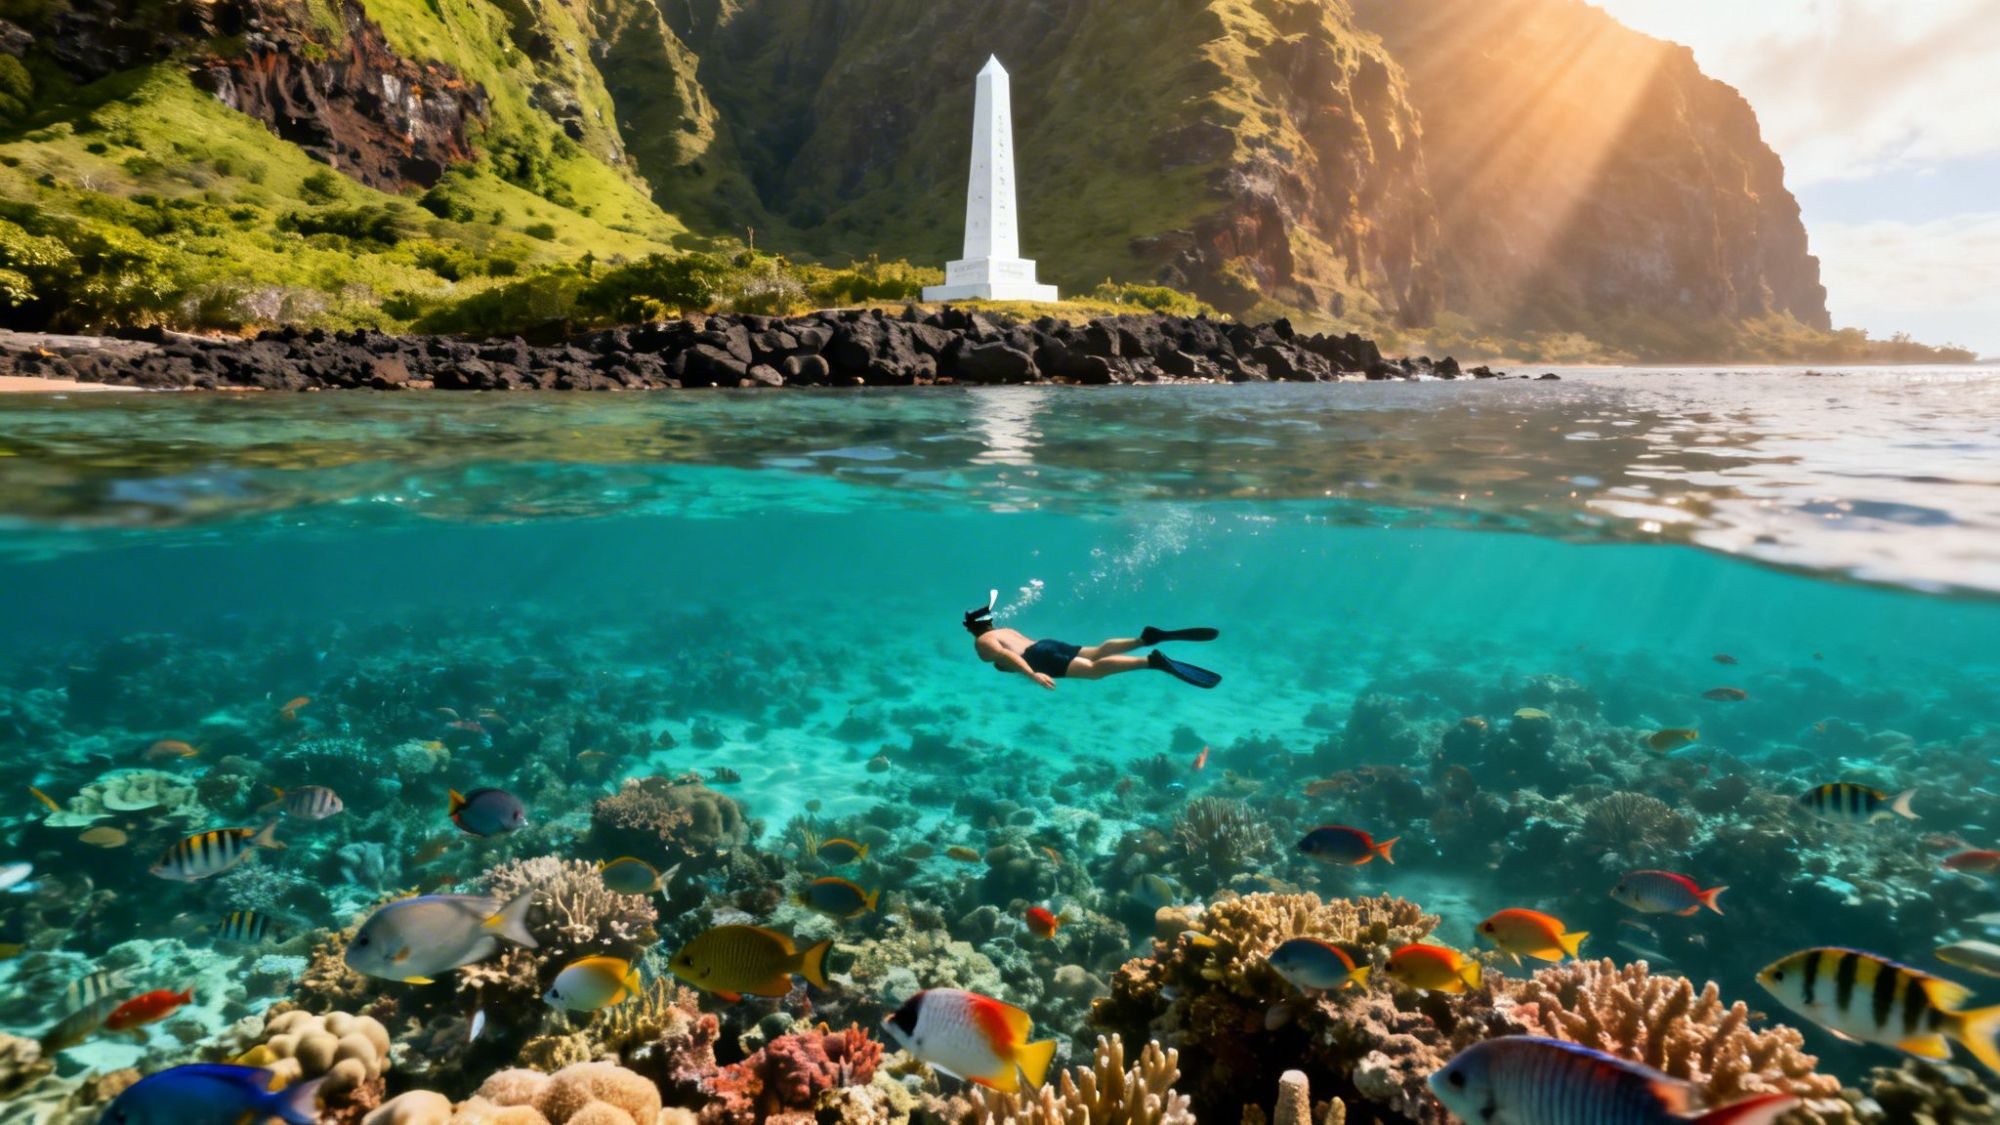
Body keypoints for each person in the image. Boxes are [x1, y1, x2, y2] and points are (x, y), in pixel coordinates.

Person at [963, 594, 1221, 689]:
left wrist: (1033, 675)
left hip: (1039, 659)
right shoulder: (1004, 630)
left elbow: (1008, 657)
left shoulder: (983, 642)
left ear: (971, 628)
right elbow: (1013, 649)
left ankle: (1151, 661)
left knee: (1094, 671)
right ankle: (1144, 639)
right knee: (1096, 652)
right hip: (1047, 646)